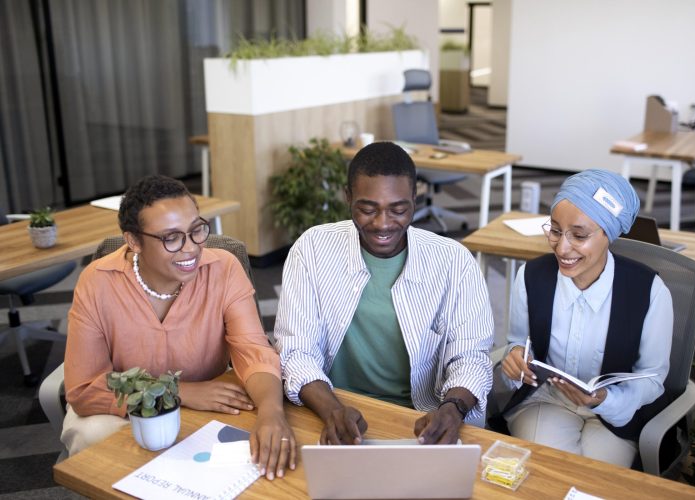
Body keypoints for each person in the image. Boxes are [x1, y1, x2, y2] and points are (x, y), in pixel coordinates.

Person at [63, 175, 295, 480]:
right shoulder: (97, 282)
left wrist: (272, 413)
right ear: (133, 241)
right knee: (105, 446)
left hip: (208, 401)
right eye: (171, 237)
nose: (191, 248)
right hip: (130, 410)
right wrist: (178, 392)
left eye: (196, 230)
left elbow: (253, 350)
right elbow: (84, 387)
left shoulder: (223, 269)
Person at [274, 141, 493, 445]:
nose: (382, 224)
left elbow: (470, 357)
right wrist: (332, 409)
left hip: (420, 419)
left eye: (399, 209)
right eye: (367, 209)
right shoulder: (312, 249)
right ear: (348, 197)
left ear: (414, 200)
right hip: (330, 407)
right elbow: (295, 351)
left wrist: (452, 408)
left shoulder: (454, 262)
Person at [495, 169, 673, 467]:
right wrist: (514, 358)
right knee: (548, 471)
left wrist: (605, 399)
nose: (562, 248)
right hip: (547, 400)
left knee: (596, 481)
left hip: (616, 412)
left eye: (578, 235)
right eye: (554, 230)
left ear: (609, 234)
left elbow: (653, 378)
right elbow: (518, 342)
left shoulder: (650, 291)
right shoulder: (531, 277)